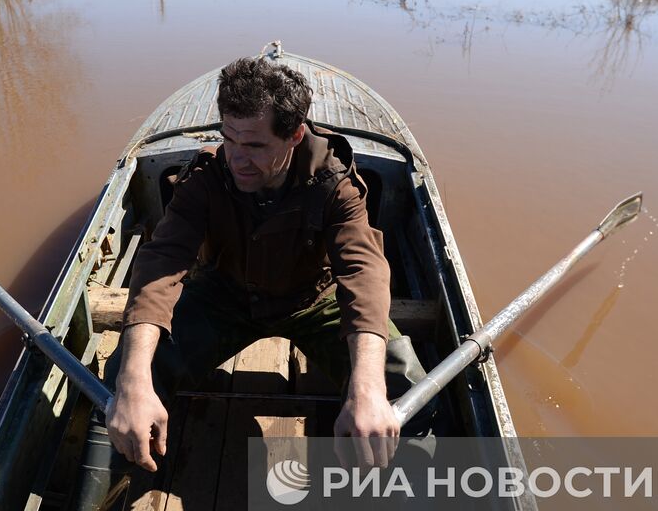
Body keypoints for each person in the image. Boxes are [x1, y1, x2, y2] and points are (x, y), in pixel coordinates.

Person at [104, 55, 429, 473]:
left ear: (294, 135)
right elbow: (162, 261)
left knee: (405, 384)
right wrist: (134, 379)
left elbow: (362, 272)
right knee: (122, 378)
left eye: (255, 145)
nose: (237, 158)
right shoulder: (207, 178)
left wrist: (367, 390)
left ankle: (411, 509)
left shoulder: (334, 183)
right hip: (224, 297)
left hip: (313, 300)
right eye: (229, 138)